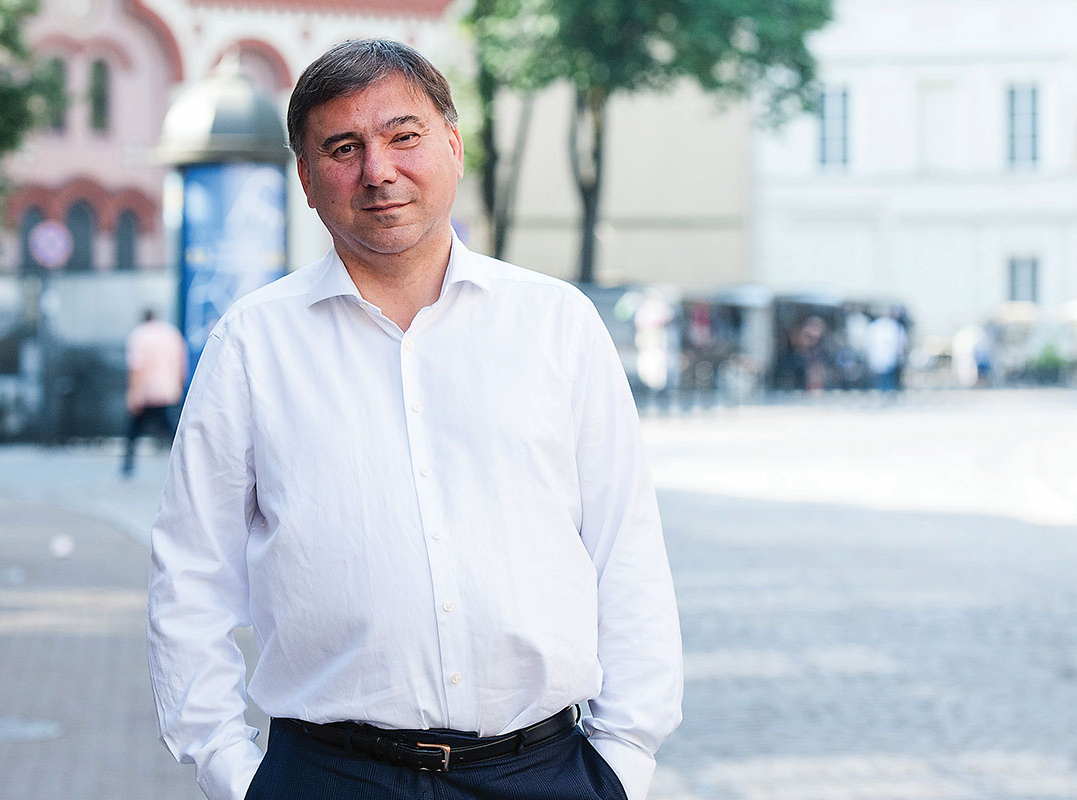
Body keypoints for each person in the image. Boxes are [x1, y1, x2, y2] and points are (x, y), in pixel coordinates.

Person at [146, 39, 683, 800]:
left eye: (404, 136)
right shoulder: (252, 345)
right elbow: (189, 574)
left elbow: (625, 550)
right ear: (305, 179)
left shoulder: (556, 325)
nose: (378, 170)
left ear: (453, 147)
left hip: (543, 772)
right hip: (328, 775)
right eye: (343, 148)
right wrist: (231, 771)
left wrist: (623, 758)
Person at [122, 308, 187, 476]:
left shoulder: (139, 335)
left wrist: (133, 394)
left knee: (133, 432)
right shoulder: (171, 334)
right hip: (168, 391)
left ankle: (127, 466)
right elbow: (182, 363)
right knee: (171, 431)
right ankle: (184, 462)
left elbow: (136, 368)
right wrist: (179, 385)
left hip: (146, 392)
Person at [864, 309, 906, 395]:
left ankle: (884, 393)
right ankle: (887, 394)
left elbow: (868, 343)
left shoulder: (874, 326)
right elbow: (902, 343)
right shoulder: (895, 326)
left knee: (883, 378)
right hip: (889, 357)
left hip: (882, 357)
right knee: (888, 378)